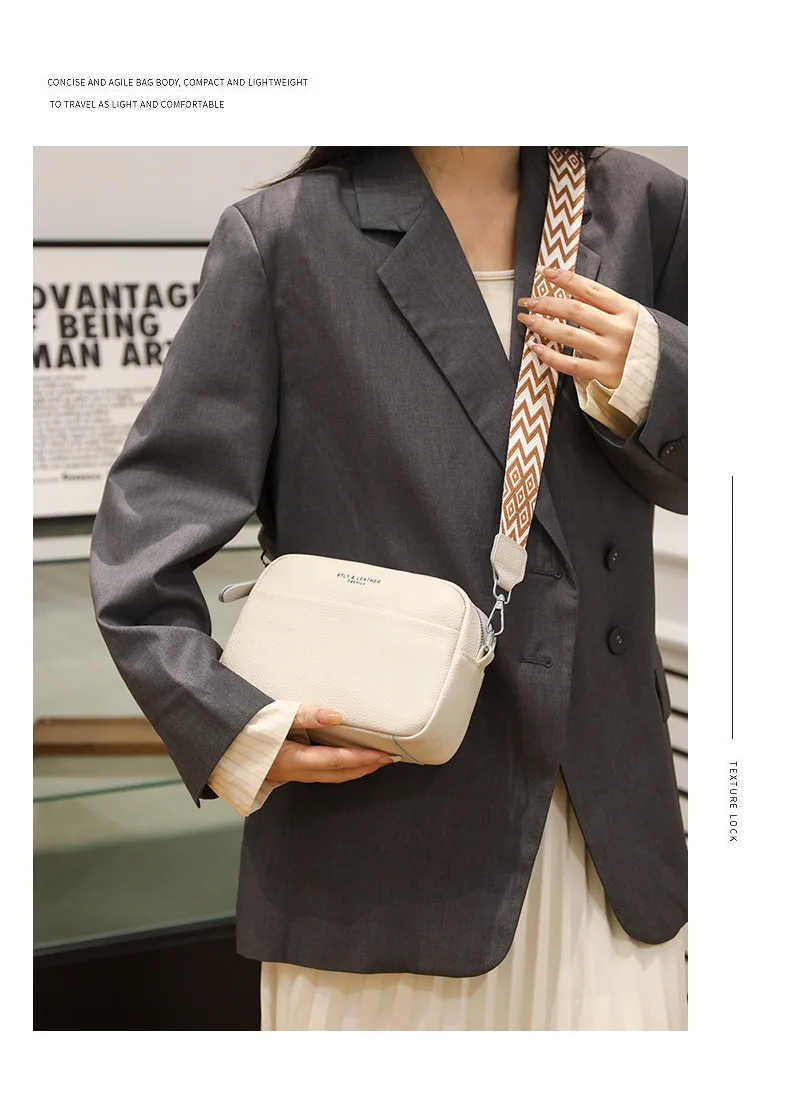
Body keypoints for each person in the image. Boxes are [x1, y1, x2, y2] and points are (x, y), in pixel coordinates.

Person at [89, 145, 688, 1031]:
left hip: (608, 840)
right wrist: (230, 727)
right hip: (377, 836)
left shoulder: (645, 208)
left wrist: (654, 372)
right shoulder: (286, 237)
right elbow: (147, 534)